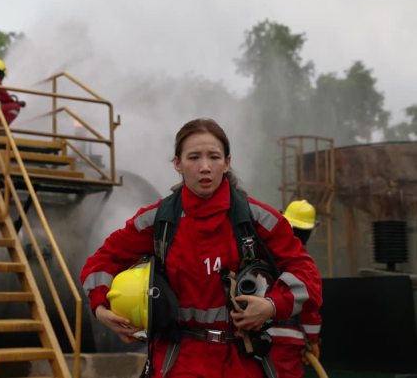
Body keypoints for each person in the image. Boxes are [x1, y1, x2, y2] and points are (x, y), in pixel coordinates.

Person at [80, 118, 322, 378]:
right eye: (194, 157)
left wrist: (271, 306)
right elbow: (102, 261)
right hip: (178, 363)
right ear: (178, 164)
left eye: (214, 157)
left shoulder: (259, 219)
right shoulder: (157, 221)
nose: (205, 167)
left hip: (242, 363)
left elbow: (306, 274)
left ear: (227, 163)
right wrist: (100, 308)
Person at [268, 200, 322, 378]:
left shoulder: (264, 254)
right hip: (289, 344)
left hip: (255, 339)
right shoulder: (305, 266)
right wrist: (312, 341)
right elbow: (310, 307)